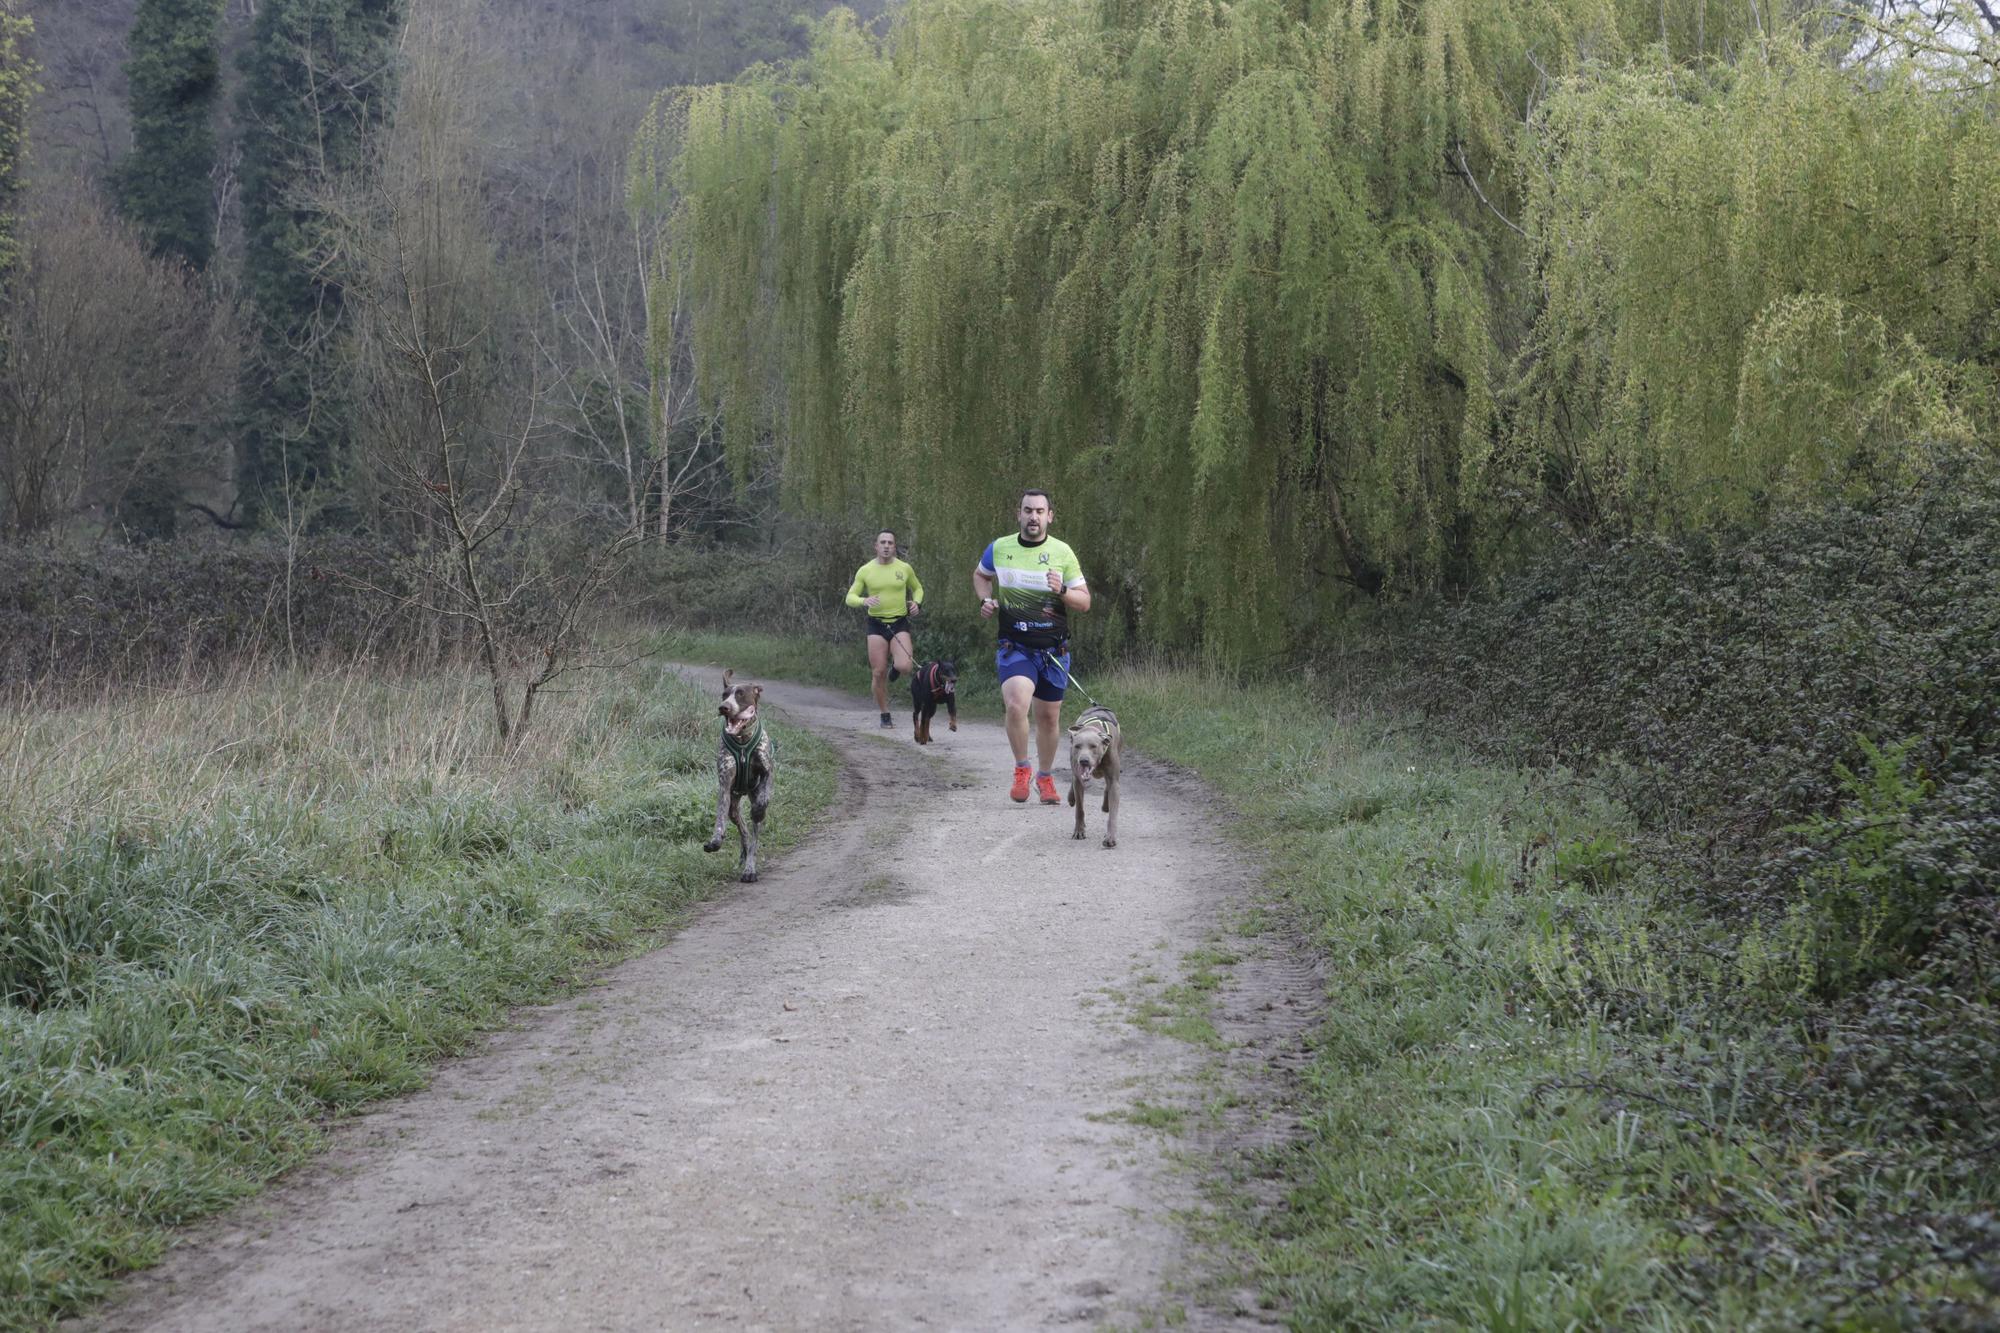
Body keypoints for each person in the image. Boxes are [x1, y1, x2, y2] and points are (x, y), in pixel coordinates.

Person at [972, 489, 1090, 803]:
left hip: (1053, 652)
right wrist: (986, 599)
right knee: (1015, 704)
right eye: (1028, 510)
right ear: (1019, 514)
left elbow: (1085, 602)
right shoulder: (999, 548)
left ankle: (1046, 777)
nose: (1033, 517)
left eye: (1039, 511)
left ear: (1049, 516)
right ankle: (1022, 769)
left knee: (1049, 718)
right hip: (1016, 647)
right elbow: (981, 576)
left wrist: (1062, 589)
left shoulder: (1062, 552)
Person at [845, 529, 923, 727]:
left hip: (899, 622)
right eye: (883, 542)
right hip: (876, 624)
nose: (887, 546)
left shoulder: (904, 568)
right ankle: (884, 713)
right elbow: (850, 597)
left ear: (895, 547)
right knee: (878, 672)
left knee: (905, 666)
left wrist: (916, 603)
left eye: (890, 543)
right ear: (876, 546)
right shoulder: (866, 570)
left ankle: (895, 670)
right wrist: (864, 600)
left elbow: (918, 588)